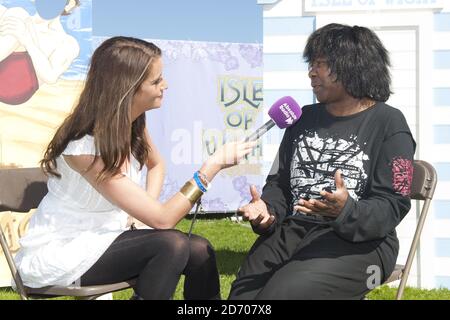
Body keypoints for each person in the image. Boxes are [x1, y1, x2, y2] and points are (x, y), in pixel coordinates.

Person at [13, 36, 256, 300]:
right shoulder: (82, 148)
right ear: (127, 88)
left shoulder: (133, 123)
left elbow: (157, 165)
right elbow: (163, 219)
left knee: (199, 250)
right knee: (171, 244)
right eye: (156, 81)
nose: (165, 85)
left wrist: (141, 215)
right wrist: (213, 166)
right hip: (64, 250)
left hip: (108, 237)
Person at [228, 23, 416, 300]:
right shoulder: (301, 119)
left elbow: (394, 203)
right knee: (242, 296)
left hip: (362, 244)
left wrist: (345, 210)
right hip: (293, 231)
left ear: (352, 66)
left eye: (321, 64)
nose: (311, 72)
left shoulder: (390, 123)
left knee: (284, 294)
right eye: (311, 64)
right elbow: (280, 184)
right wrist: (268, 211)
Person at [0, 0, 80, 105]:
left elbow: (50, 77)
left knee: (18, 13)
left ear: (69, 4)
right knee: (16, 13)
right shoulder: (17, 17)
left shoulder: (67, 42)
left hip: (15, 88)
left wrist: (27, 41)